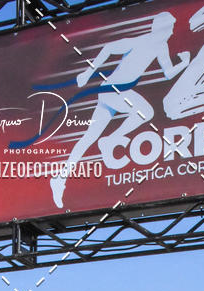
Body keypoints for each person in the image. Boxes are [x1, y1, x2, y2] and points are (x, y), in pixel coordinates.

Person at [50, 12, 190, 208]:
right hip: (112, 90)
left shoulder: (161, 46)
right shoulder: (140, 41)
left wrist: (183, 63)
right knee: (144, 113)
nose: (172, 31)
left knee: (89, 137)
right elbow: (109, 48)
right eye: (170, 27)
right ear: (160, 27)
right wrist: (88, 72)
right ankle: (110, 141)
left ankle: (59, 178)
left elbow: (167, 73)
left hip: (120, 92)